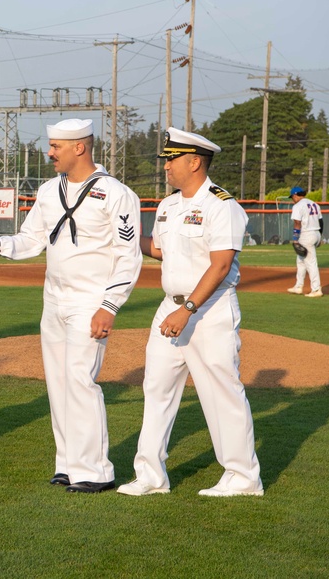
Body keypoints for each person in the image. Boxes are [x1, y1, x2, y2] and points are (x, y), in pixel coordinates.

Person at [0, 118, 143, 493]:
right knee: (59, 383)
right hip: (54, 299)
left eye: (56, 147)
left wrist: (110, 305)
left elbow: (129, 256)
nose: (49, 153)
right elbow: (31, 239)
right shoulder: (50, 190)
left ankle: (95, 471)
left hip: (90, 301)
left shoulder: (116, 193)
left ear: (79, 147)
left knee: (82, 381)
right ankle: (68, 463)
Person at [116, 128, 263, 498]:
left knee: (221, 392)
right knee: (157, 388)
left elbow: (220, 264)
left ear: (194, 161)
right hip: (171, 305)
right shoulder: (168, 206)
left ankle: (243, 477)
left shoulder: (221, 205)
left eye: (171, 159)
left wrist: (189, 310)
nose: (165, 166)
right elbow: (162, 251)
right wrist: (124, 237)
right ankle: (150, 474)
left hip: (208, 310)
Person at [287, 186, 323, 298]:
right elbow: (321, 222)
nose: (292, 199)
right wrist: (320, 237)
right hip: (316, 233)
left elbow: (297, 223)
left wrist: (295, 238)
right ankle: (298, 286)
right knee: (301, 260)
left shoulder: (298, 205)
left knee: (310, 262)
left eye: (292, 197)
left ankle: (316, 289)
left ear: (295, 195)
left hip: (306, 235)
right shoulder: (314, 204)